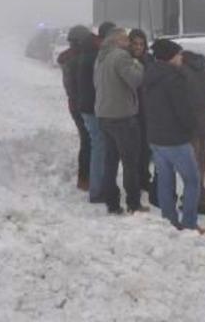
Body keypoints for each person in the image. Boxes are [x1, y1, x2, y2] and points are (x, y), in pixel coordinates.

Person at [144, 39, 205, 234]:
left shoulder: (150, 75)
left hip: (156, 138)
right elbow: (183, 110)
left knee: (165, 181)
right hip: (175, 140)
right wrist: (192, 129)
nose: (181, 58)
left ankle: (169, 221)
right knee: (192, 180)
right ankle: (189, 223)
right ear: (170, 57)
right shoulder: (174, 79)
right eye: (179, 54)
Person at [94, 27, 147, 214]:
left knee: (110, 162)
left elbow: (96, 84)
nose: (129, 43)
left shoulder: (101, 57)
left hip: (104, 115)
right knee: (130, 163)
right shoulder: (121, 57)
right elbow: (135, 80)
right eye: (125, 39)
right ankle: (133, 204)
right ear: (117, 41)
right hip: (122, 117)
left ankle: (112, 203)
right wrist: (138, 64)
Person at [57, 25, 92, 191]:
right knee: (88, 141)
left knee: (86, 140)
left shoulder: (68, 58)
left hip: (74, 104)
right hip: (81, 105)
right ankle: (84, 178)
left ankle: (86, 177)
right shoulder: (76, 60)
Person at [76, 26, 106, 203]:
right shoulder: (94, 59)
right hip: (93, 108)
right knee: (98, 147)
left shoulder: (82, 58)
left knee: (92, 144)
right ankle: (96, 190)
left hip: (85, 107)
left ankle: (90, 184)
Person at [182, 50, 205, 215]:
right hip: (204, 120)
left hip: (192, 122)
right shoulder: (203, 68)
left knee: (191, 163)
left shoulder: (183, 71)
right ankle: (199, 198)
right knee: (199, 160)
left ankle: (198, 200)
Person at [128, 29, 153, 193]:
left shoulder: (149, 60)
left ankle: (145, 178)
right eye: (135, 44)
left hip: (148, 110)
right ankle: (135, 180)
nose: (138, 47)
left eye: (141, 44)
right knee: (134, 149)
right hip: (131, 110)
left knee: (146, 148)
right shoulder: (126, 61)